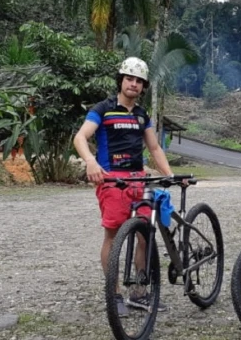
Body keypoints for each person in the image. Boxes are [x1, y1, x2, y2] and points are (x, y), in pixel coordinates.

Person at [73, 57, 174, 316]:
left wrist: (170, 174)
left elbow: (153, 147)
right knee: (113, 235)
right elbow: (81, 137)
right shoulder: (103, 109)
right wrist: (91, 162)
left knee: (145, 235)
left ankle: (139, 293)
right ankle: (114, 294)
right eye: (130, 78)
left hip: (138, 179)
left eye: (139, 81)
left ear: (143, 86)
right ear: (121, 80)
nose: (134, 84)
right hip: (112, 180)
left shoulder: (142, 115)